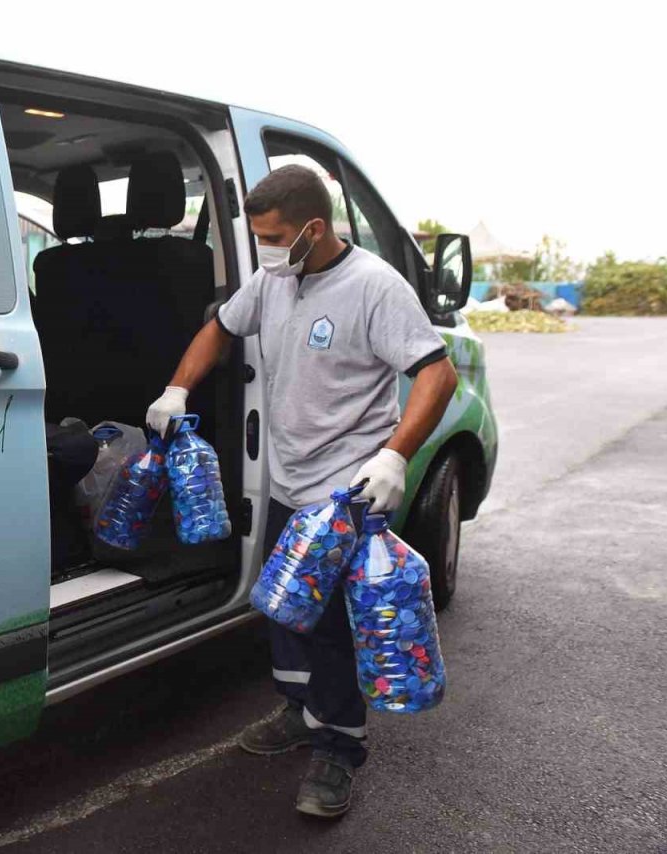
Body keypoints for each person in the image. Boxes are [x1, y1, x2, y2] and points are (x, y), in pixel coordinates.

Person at [145, 164, 458, 818]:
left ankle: (338, 750)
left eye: (272, 235)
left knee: (333, 630)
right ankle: (300, 710)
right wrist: (179, 387)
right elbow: (220, 330)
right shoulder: (274, 279)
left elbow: (437, 374)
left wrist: (396, 456)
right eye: (258, 235)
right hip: (288, 479)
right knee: (286, 608)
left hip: (348, 489)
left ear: (314, 228)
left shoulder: (374, 287)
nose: (263, 248)